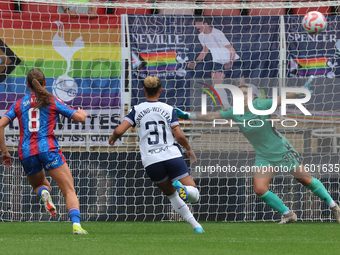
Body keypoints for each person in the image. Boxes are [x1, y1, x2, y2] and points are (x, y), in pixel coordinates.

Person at [175, 82, 340, 224]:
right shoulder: (234, 111)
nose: (242, 96)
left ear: (254, 96)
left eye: (245, 93)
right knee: (260, 189)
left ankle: (334, 206)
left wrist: (300, 91)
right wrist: (189, 115)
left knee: (306, 180)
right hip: (263, 155)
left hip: (281, 149)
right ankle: (288, 213)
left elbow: (282, 99)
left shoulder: (262, 104)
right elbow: (212, 115)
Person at [109, 75, 204, 233]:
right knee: (194, 194)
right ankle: (186, 192)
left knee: (172, 196)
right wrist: (188, 148)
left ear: (144, 89)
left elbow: (119, 130)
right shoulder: (168, 109)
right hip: (172, 155)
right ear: (160, 90)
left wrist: (113, 138)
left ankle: (197, 226)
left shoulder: (136, 110)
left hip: (151, 161)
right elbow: (178, 135)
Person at [0, 68, 89, 234]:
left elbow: (0, 125)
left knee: (40, 184)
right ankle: (76, 225)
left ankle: (45, 193)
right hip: (48, 149)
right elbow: (79, 118)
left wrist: (4, 151)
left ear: (27, 85)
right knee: (68, 190)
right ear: (45, 83)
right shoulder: (52, 100)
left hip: (26, 152)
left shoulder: (19, 104)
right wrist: (82, 113)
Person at [187, 16, 245, 109]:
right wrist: (195, 62)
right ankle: (227, 107)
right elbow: (205, 50)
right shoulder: (201, 36)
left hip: (233, 60)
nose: (196, 26)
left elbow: (231, 48)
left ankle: (246, 107)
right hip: (218, 62)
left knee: (241, 86)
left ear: (205, 24)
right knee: (217, 84)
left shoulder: (217, 33)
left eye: (198, 24)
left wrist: (230, 62)